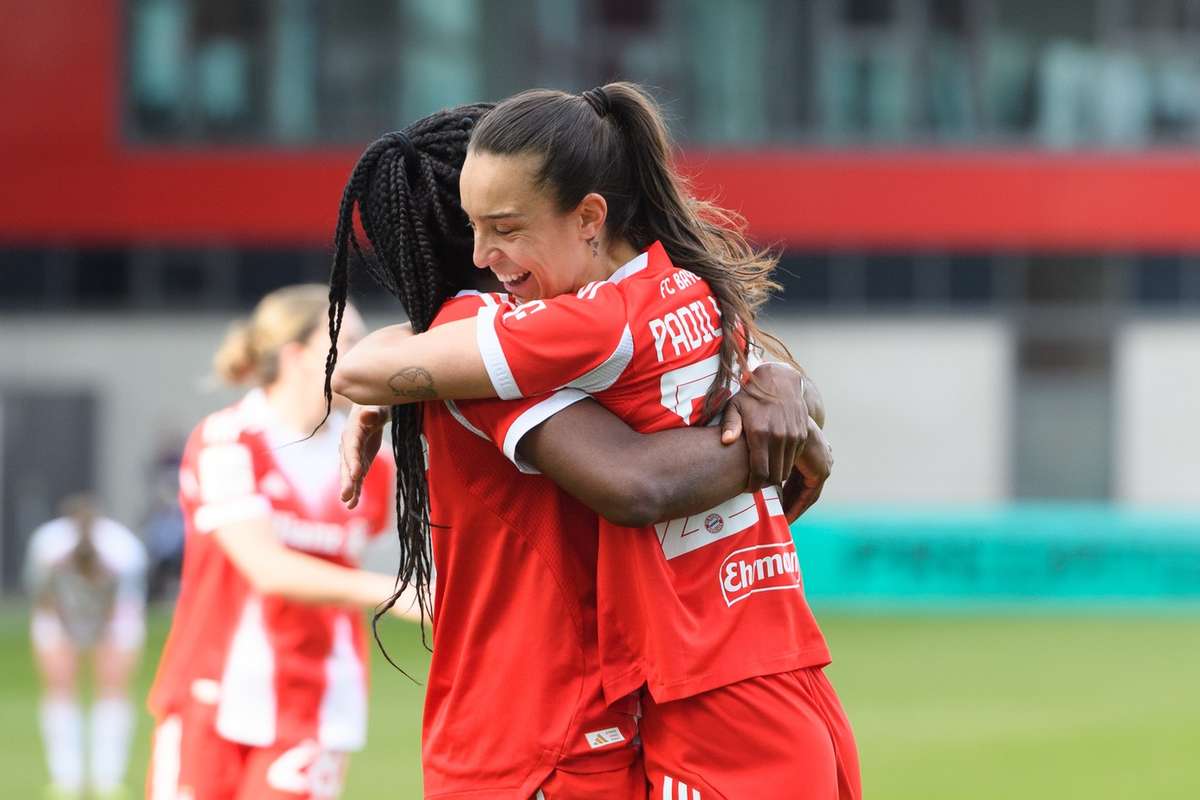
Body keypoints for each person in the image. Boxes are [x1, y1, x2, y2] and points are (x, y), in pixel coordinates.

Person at [333, 83, 860, 799]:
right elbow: (752, 382)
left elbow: (635, 484)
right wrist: (787, 421)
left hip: (548, 738)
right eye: (476, 227)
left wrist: (788, 414)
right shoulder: (684, 285)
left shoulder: (554, 329)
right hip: (733, 677)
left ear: (585, 216)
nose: (489, 252)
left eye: (505, 226)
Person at [144, 285, 404, 800]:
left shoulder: (375, 461)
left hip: (315, 700)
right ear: (296, 355)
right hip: (213, 690)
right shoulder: (227, 440)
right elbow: (267, 568)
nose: (364, 355)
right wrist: (398, 592)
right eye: (349, 341)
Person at [26, 494, 148, 800]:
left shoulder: (123, 548)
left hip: (115, 618)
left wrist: (101, 633)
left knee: (113, 687)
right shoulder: (48, 544)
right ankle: (66, 779)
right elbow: (43, 599)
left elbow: (124, 606)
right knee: (60, 687)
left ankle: (108, 779)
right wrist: (66, 634)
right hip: (58, 616)